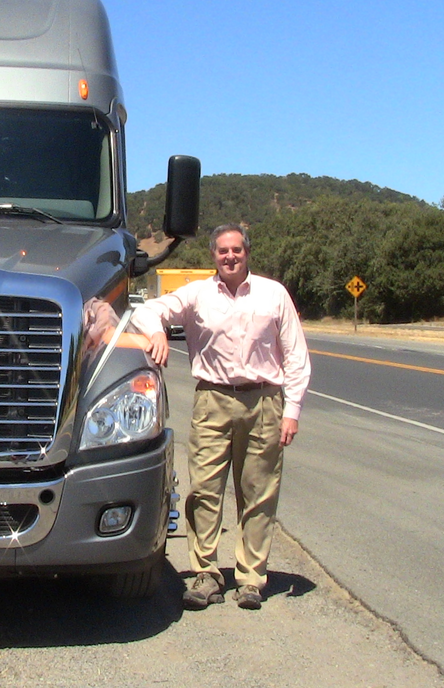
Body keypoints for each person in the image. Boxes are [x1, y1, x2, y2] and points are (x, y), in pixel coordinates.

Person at [131, 223, 311, 610]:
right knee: (204, 489)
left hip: (264, 402)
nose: (230, 256)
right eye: (222, 251)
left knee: (258, 494)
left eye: (237, 250)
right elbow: (147, 311)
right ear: (213, 255)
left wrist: (291, 411)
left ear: (247, 253)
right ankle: (206, 574)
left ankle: (250, 579)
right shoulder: (198, 294)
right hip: (212, 401)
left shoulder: (273, 294)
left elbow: (296, 356)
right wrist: (157, 333)